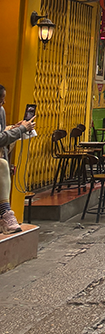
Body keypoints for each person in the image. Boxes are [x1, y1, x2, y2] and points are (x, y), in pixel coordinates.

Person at [0, 85, 35, 234]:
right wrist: (21, 130)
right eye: (1, 100)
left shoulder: (1, 111)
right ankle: (5, 213)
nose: (3, 103)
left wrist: (14, 129)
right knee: (2, 164)